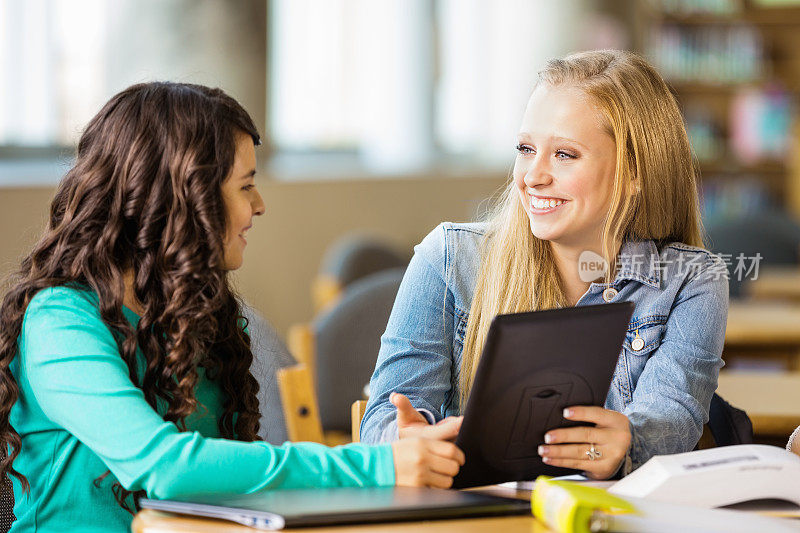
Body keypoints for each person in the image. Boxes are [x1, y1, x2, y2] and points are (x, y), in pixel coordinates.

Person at [0, 82, 464, 533]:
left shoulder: (198, 317)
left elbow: (226, 480)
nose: (259, 206)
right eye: (245, 187)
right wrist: (377, 465)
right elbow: (164, 466)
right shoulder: (59, 322)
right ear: (185, 198)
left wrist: (403, 454)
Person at [360, 50, 729, 480]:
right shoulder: (448, 259)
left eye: (565, 155)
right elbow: (384, 423)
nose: (532, 176)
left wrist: (629, 441)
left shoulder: (693, 281)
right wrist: (405, 443)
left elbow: (673, 418)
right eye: (526, 148)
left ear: (635, 173)